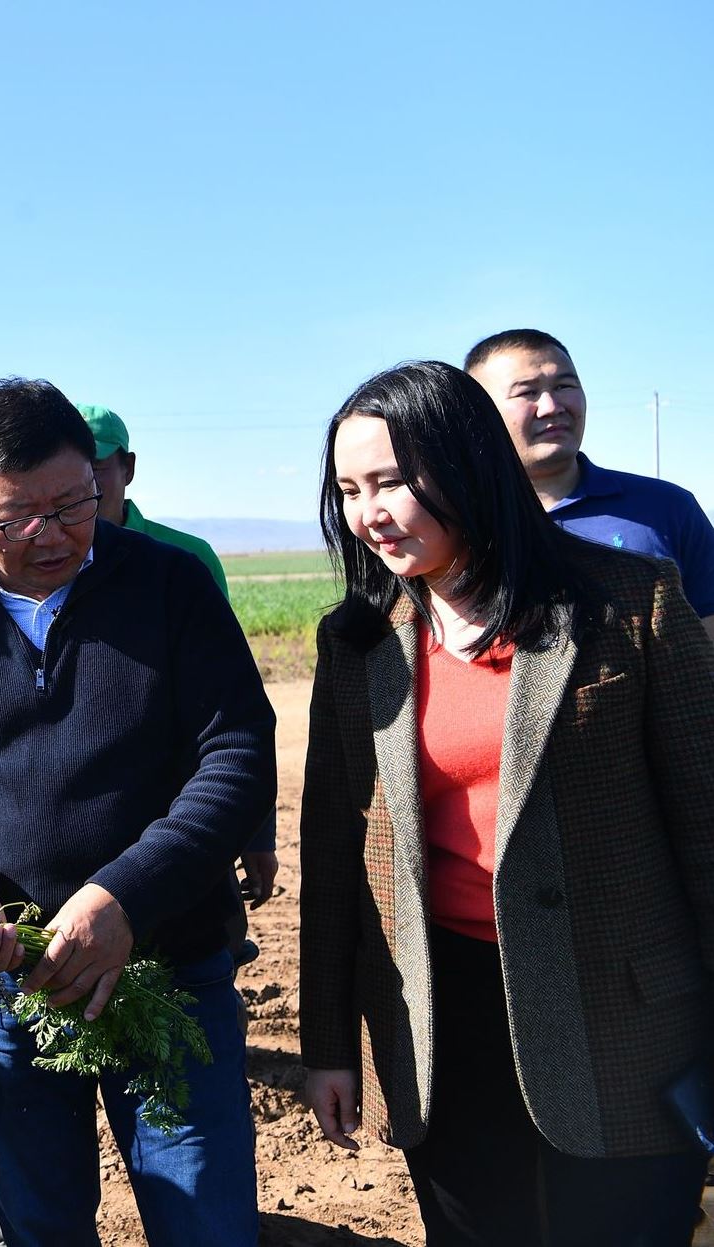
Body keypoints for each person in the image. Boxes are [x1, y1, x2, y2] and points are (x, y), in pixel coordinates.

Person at [300, 361, 714, 1245]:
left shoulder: (625, 604)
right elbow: (336, 856)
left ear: (467, 465)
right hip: (441, 1022)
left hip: (625, 1014)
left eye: (389, 482)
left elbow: (706, 827)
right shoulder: (357, 640)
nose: (367, 512)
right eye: (347, 489)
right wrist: (328, 1042)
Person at [0, 378, 276, 1247]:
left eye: (73, 505)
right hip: (10, 989)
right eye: (18, 516)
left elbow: (237, 754)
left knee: (204, 1220)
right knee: (39, 1224)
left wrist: (124, 897)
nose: (52, 535)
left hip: (172, 968)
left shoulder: (169, 588)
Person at [78, 401, 280, 917]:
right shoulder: (43, 561)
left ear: (128, 467)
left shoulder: (184, 563)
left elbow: (236, 706)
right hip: (85, 821)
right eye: (71, 467)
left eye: (97, 466)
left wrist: (257, 832)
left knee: (204, 954)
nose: (86, 482)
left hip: (181, 812)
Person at [465, 328, 714, 637]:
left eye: (564, 385)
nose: (552, 406)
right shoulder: (460, 523)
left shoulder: (666, 508)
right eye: (527, 392)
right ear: (478, 415)